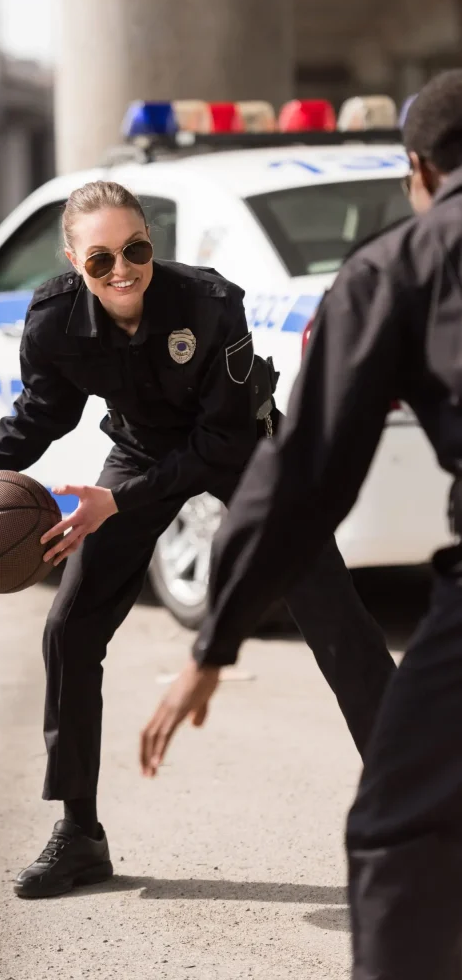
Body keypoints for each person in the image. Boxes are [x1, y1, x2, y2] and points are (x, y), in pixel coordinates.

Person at [0, 180, 394, 900]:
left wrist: (113, 503)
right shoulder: (55, 321)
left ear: (153, 242)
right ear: (71, 261)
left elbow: (220, 444)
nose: (121, 269)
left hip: (244, 453)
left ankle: (423, 819)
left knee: (340, 624)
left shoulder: (212, 306)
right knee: (71, 627)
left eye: (136, 249)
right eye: (99, 260)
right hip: (140, 450)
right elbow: (42, 412)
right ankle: (79, 833)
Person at [140, 68, 462, 979]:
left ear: (418, 172)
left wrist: (213, 646)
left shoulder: (399, 265)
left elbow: (306, 477)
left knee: (399, 824)